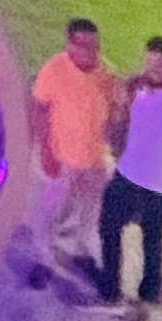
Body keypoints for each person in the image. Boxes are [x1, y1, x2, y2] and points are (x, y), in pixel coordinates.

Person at [102, 35, 162, 316]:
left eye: (160, 65)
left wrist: (127, 97)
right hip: (132, 172)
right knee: (110, 225)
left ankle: (146, 292)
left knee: (151, 235)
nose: (153, 69)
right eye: (149, 63)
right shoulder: (144, 88)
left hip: (160, 184)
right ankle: (112, 286)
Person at [26, 17, 114, 290]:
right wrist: (45, 151)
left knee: (91, 211)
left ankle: (82, 252)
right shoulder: (54, 69)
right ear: (70, 43)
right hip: (60, 156)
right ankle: (43, 259)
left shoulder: (105, 74)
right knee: (49, 211)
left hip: (94, 158)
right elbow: (38, 108)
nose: (91, 51)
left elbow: (112, 113)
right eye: (83, 45)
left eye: (95, 45)